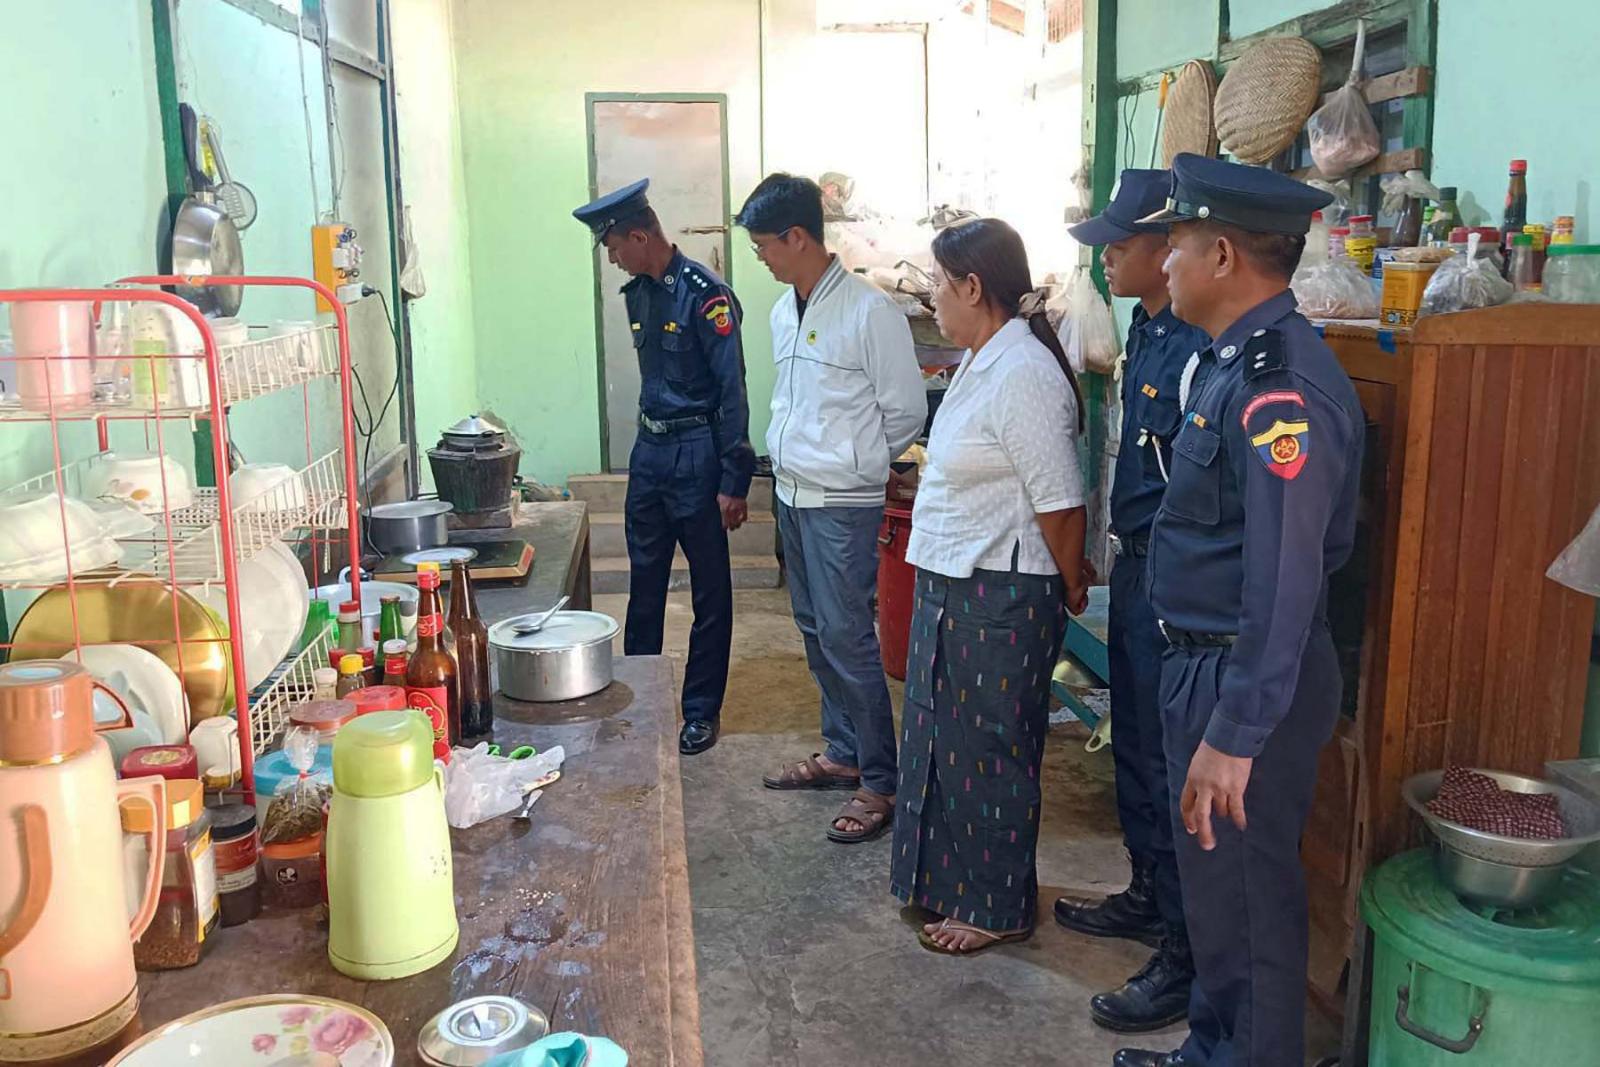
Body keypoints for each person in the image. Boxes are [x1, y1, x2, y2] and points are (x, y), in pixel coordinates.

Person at [1113, 155, 1362, 1067]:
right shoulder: (1229, 365)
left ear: (1221, 255)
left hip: (1243, 680)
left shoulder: (1279, 389)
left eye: (1176, 243)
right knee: (1217, 895)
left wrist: (1237, 731)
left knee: (1249, 902)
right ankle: (1210, 1050)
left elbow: (1286, 579)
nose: (1165, 261)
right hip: (1205, 666)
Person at [889, 218, 1091, 954]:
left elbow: (1060, 503)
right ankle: (947, 882)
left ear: (974, 287)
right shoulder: (984, 359)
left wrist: (1071, 584)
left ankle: (998, 902)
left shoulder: (1024, 373)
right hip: (956, 578)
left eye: (939, 285)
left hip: (1000, 591)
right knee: (942, 737)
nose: (933, 299)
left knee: (989, 750)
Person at [1055, 170, 1208, 1033]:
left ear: (1165, 246)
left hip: (1175, 576)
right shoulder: (1147, 328)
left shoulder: (1195, 341)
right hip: (1138, 564)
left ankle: (1185, 952)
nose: (1106, 260)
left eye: (1120, 245)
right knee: (1138, 742)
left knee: (1173, 758)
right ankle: (1149, 891)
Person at [736, 173, 926, 842]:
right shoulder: (782, 311)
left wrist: (858, 464)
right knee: (816, 629)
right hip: (791, 494)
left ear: (797, 236)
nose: (761, 257)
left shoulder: (870, 312)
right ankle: (843, 751)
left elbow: (905, 409)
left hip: (841, 502)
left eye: (764, 245)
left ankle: (881, 778)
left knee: (848, 637)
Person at [573, 179, 755, 756]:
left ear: (640, 236)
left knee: (710, 593)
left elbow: (732, 391)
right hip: (649, 456)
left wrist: (734, 478)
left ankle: (700, 711)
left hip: (698, 456)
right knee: (644, 587)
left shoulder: (706, 296)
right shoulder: (640, 295)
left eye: (614, 248)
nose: (612, 260)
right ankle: (643, 702)